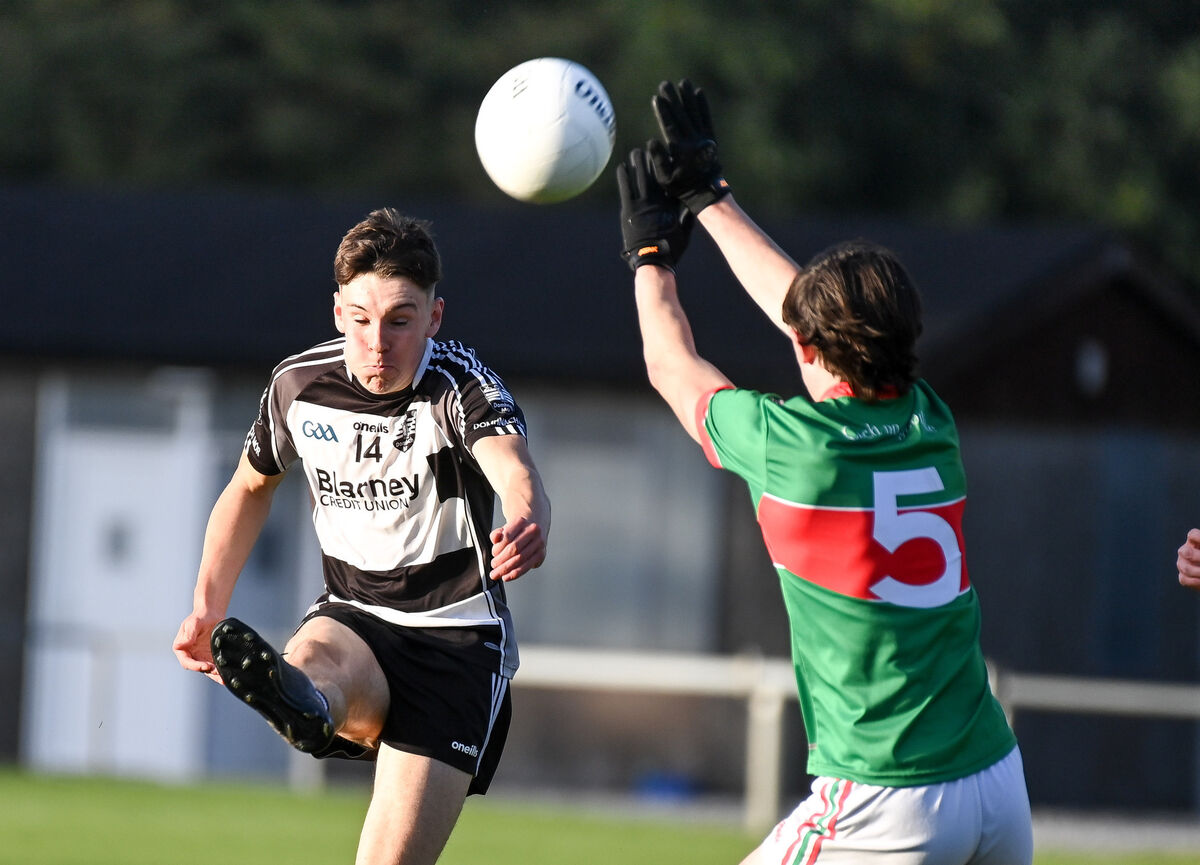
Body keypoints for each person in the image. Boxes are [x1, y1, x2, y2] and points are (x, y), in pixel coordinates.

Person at [618, 79, 1032, 864]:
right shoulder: (930, 418)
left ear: (805, 346)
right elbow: (807, 313)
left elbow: (670, 364)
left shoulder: (791, 444)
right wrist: (710, 198)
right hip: (996, 780)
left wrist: (649, 256)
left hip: (887, 796)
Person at [172, 208, 550, 865]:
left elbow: (513, 465)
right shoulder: (298, 386)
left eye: (401, 320)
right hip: (354, 617)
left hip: (455, 645)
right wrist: (207, 603)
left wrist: (526, 516)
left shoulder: (460, 388)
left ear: (434, 318)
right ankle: (306, 701)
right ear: (337, 311)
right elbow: (249, 486)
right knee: (315, 663)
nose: (378, 342)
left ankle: (312, 705)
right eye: (361, 318)